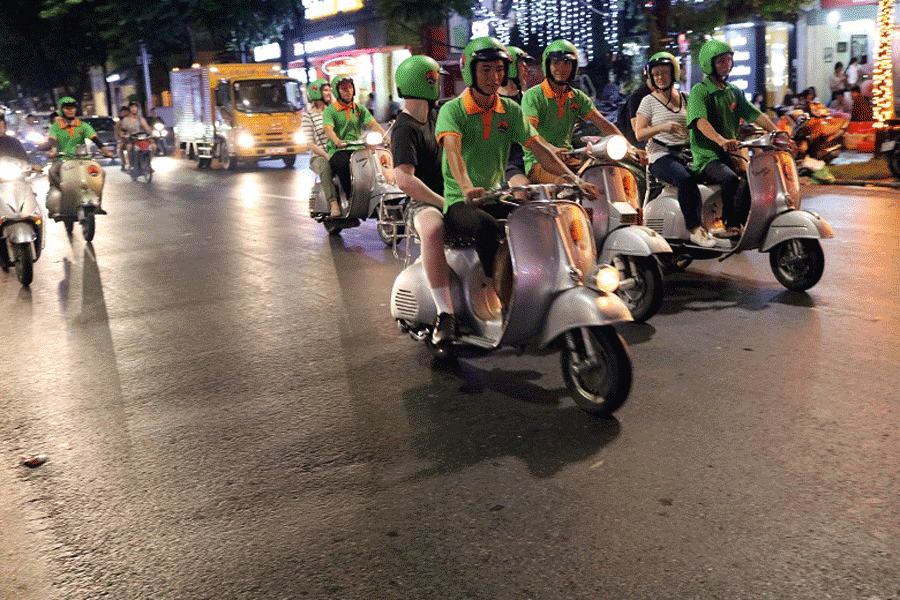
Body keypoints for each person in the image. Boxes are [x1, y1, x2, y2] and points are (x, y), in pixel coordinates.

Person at [435, 37, 591, 288]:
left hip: (497, 196)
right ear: (469, 71)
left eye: (499, 69)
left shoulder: (510, 109)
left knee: (539, 219)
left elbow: (539, 149)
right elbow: (453, 152)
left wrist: (574, 180)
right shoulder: (452, 111)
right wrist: (465, 188)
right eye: (486, 69)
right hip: (460, 202)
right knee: (488, 228)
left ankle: (542, 285)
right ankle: (497, 294)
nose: (495, 77)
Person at [391, 55, 457, 345]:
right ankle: (445, 313)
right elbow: (405, 180)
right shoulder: (404, 128)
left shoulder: (438, 114)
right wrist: (440, 202)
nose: (441, 84)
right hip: (423, 202)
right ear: (425, 82)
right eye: (436, 79)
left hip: (452, 194)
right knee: (432, 230)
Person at [687, 39, 781, 239]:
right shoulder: (700, 91)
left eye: (729, 60)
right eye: (721, 61)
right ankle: (731, 224)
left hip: (731, 154)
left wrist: (778, 133)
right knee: (729, 179)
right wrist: (720, 140)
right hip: (707, 157)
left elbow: (755, 115)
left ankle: (746, 219)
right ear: (708, 64)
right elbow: (700, 122)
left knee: (757, 176)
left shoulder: (733, 91)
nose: (727, 65)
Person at [521, 39, 638, 185]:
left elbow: (604, 125)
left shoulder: (577, 97)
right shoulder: (533, 95)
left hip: (568, 158)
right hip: (538, 163)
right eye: (556, 63)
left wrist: (630, 148)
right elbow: (529, 132)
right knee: (571, 187)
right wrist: (551, 148)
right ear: (547, 65)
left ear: (574, 67)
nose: (561, 68)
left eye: (567, 63)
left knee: (609, 179)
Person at [634, 53, 721, 248]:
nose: (660, 77)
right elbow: (639, 134)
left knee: (724, 173)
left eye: (664, 73)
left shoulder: (687, 99)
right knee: (685, 179)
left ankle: (725, 224)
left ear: (674, 73)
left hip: (688, 154)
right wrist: (662, 127)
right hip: (661, 155)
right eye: (655, 74)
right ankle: (695, 230)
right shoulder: (648, 101)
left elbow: (700, 124)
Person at [44, 97, 113, 215]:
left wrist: (106, 151)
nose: (70, 110)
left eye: (73, 108)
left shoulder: (83, 126)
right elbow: (53, 142)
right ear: (61, 110)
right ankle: (61, 199)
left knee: (101, 172)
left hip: (83, 158)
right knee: (52, 171)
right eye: (67, 108)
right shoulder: (56, 127)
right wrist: (53, 151)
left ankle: (98, 204)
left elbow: (96, 140)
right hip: (63, 159)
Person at [323, 75, 385, 201]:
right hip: (339, 150)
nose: (348, 91)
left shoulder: (359, 108)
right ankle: (351, 197)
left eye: (350, 87)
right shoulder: (330, 111)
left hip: (358, 148)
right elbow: (328, 129)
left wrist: (386, 136)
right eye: (344, 88)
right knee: (343, 164)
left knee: (378, 161)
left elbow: (373, 124)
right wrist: (337, 141)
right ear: (336, 92)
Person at [302, 78, 340, 218]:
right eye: (325, 90)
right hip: (319, 156)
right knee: (325, 166)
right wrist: (325, 154)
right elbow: (310, 143)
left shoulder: (334, 111)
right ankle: (333, 202)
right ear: (316, 93)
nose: (329, 93)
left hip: (338, 152)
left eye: (329, 90)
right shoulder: (308, 116)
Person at [500, 46, 535, 188]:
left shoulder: (528, 99)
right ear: (510, 67)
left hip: (532, 159)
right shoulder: (495, 102)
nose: (527, 69)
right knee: (523, 188)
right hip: (507, 164)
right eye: (522, 64)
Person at [119, 101, 153, 170]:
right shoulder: (125, 120)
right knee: (129, 147)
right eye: (132, 107)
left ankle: (148, 163)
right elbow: (122, 130)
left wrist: (151, 133)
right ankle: (132, 165)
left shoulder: (141, 119)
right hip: (131, 140)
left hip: (141, 139)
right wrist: (123, 135)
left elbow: (147, 128)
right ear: (129, 109)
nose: (134, 109)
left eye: (135, 107)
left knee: (153, 147)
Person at [113, 105, 131, 170]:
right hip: (124, 139)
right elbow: (116, 132)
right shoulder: (119, 122)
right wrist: (119, 138)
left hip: (133, 138)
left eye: (126, 111)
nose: (124, 113)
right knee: (120, 148)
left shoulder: (132, 119)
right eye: (123, 112)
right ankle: (123, 163)